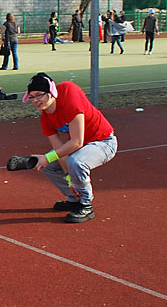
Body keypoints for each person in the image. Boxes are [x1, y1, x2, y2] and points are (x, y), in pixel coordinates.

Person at [10, 72, 118, 223]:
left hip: (104, 143)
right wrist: (69, 179)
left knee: (76, 161)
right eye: (32, 97)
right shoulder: (45, 119)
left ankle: (86, 205)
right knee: (49, 166)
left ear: (51, 92)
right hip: (79, 149)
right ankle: (74, 199)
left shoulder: (69, 93)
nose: (35, 101)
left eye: (39, 95)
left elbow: (76, 142)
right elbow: (59, 150)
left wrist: (47, 158)